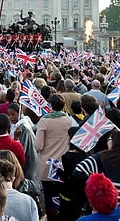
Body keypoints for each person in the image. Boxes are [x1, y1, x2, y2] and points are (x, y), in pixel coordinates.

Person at [34, 93, 72, 221]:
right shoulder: (69, 121)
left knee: (49, 196)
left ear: (50, 105)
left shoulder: (44, 121)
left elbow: (38, 146)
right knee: (64, 195)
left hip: (47, 165)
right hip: (64, 165)